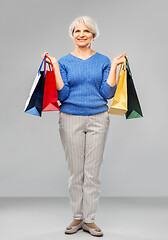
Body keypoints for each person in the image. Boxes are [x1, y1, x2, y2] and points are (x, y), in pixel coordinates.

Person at [41, 15, 128, 237]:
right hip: (70, 117)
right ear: (72, 35)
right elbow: (64, 94)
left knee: (92, 173)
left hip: (99, 117)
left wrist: (116, 67)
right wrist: (56, 68)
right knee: (75, 172)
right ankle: (77, 216)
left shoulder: (104, 60)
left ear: (93, 35)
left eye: (86, 31)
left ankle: (90, 220)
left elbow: (106, 93)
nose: (81, 35)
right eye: (77, 31)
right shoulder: (64, 61)